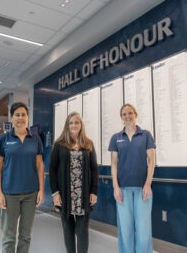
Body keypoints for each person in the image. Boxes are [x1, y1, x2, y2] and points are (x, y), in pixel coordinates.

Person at [0, 102, 44, 253]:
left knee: (25, 236)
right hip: (9, 193)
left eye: (23, 114)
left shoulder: (35, 139)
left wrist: (41, 190)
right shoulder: (4, 139)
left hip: (31, 193)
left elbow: (40, 165)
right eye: (17, 115)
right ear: (11, 117)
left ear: (28, 117)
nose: (20, 118)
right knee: (9, 237)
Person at [108, 103, 156, 253]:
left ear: (136, 114)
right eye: (124, 114)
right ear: (121, 117)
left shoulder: (146, 135)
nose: (127, 116)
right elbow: (114, 164)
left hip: (143, 189)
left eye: (130, 113)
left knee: (143, 230)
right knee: (125, 229)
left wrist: (148, 184)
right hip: (123, 189)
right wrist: (115, 187)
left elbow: (152, 161)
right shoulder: (116, 138)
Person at [49, 111, 99, 253]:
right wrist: (55, 193)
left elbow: (94, 169)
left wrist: (94, 191)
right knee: (67, 230)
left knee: (82, 232)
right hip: (65, 195)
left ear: (81, 125)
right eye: (71, 122)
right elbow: (52, 169)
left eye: (76, 122)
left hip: (83, 195)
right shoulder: (59, 145)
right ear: (67, 125)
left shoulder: (88, 144)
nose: (74, 125)